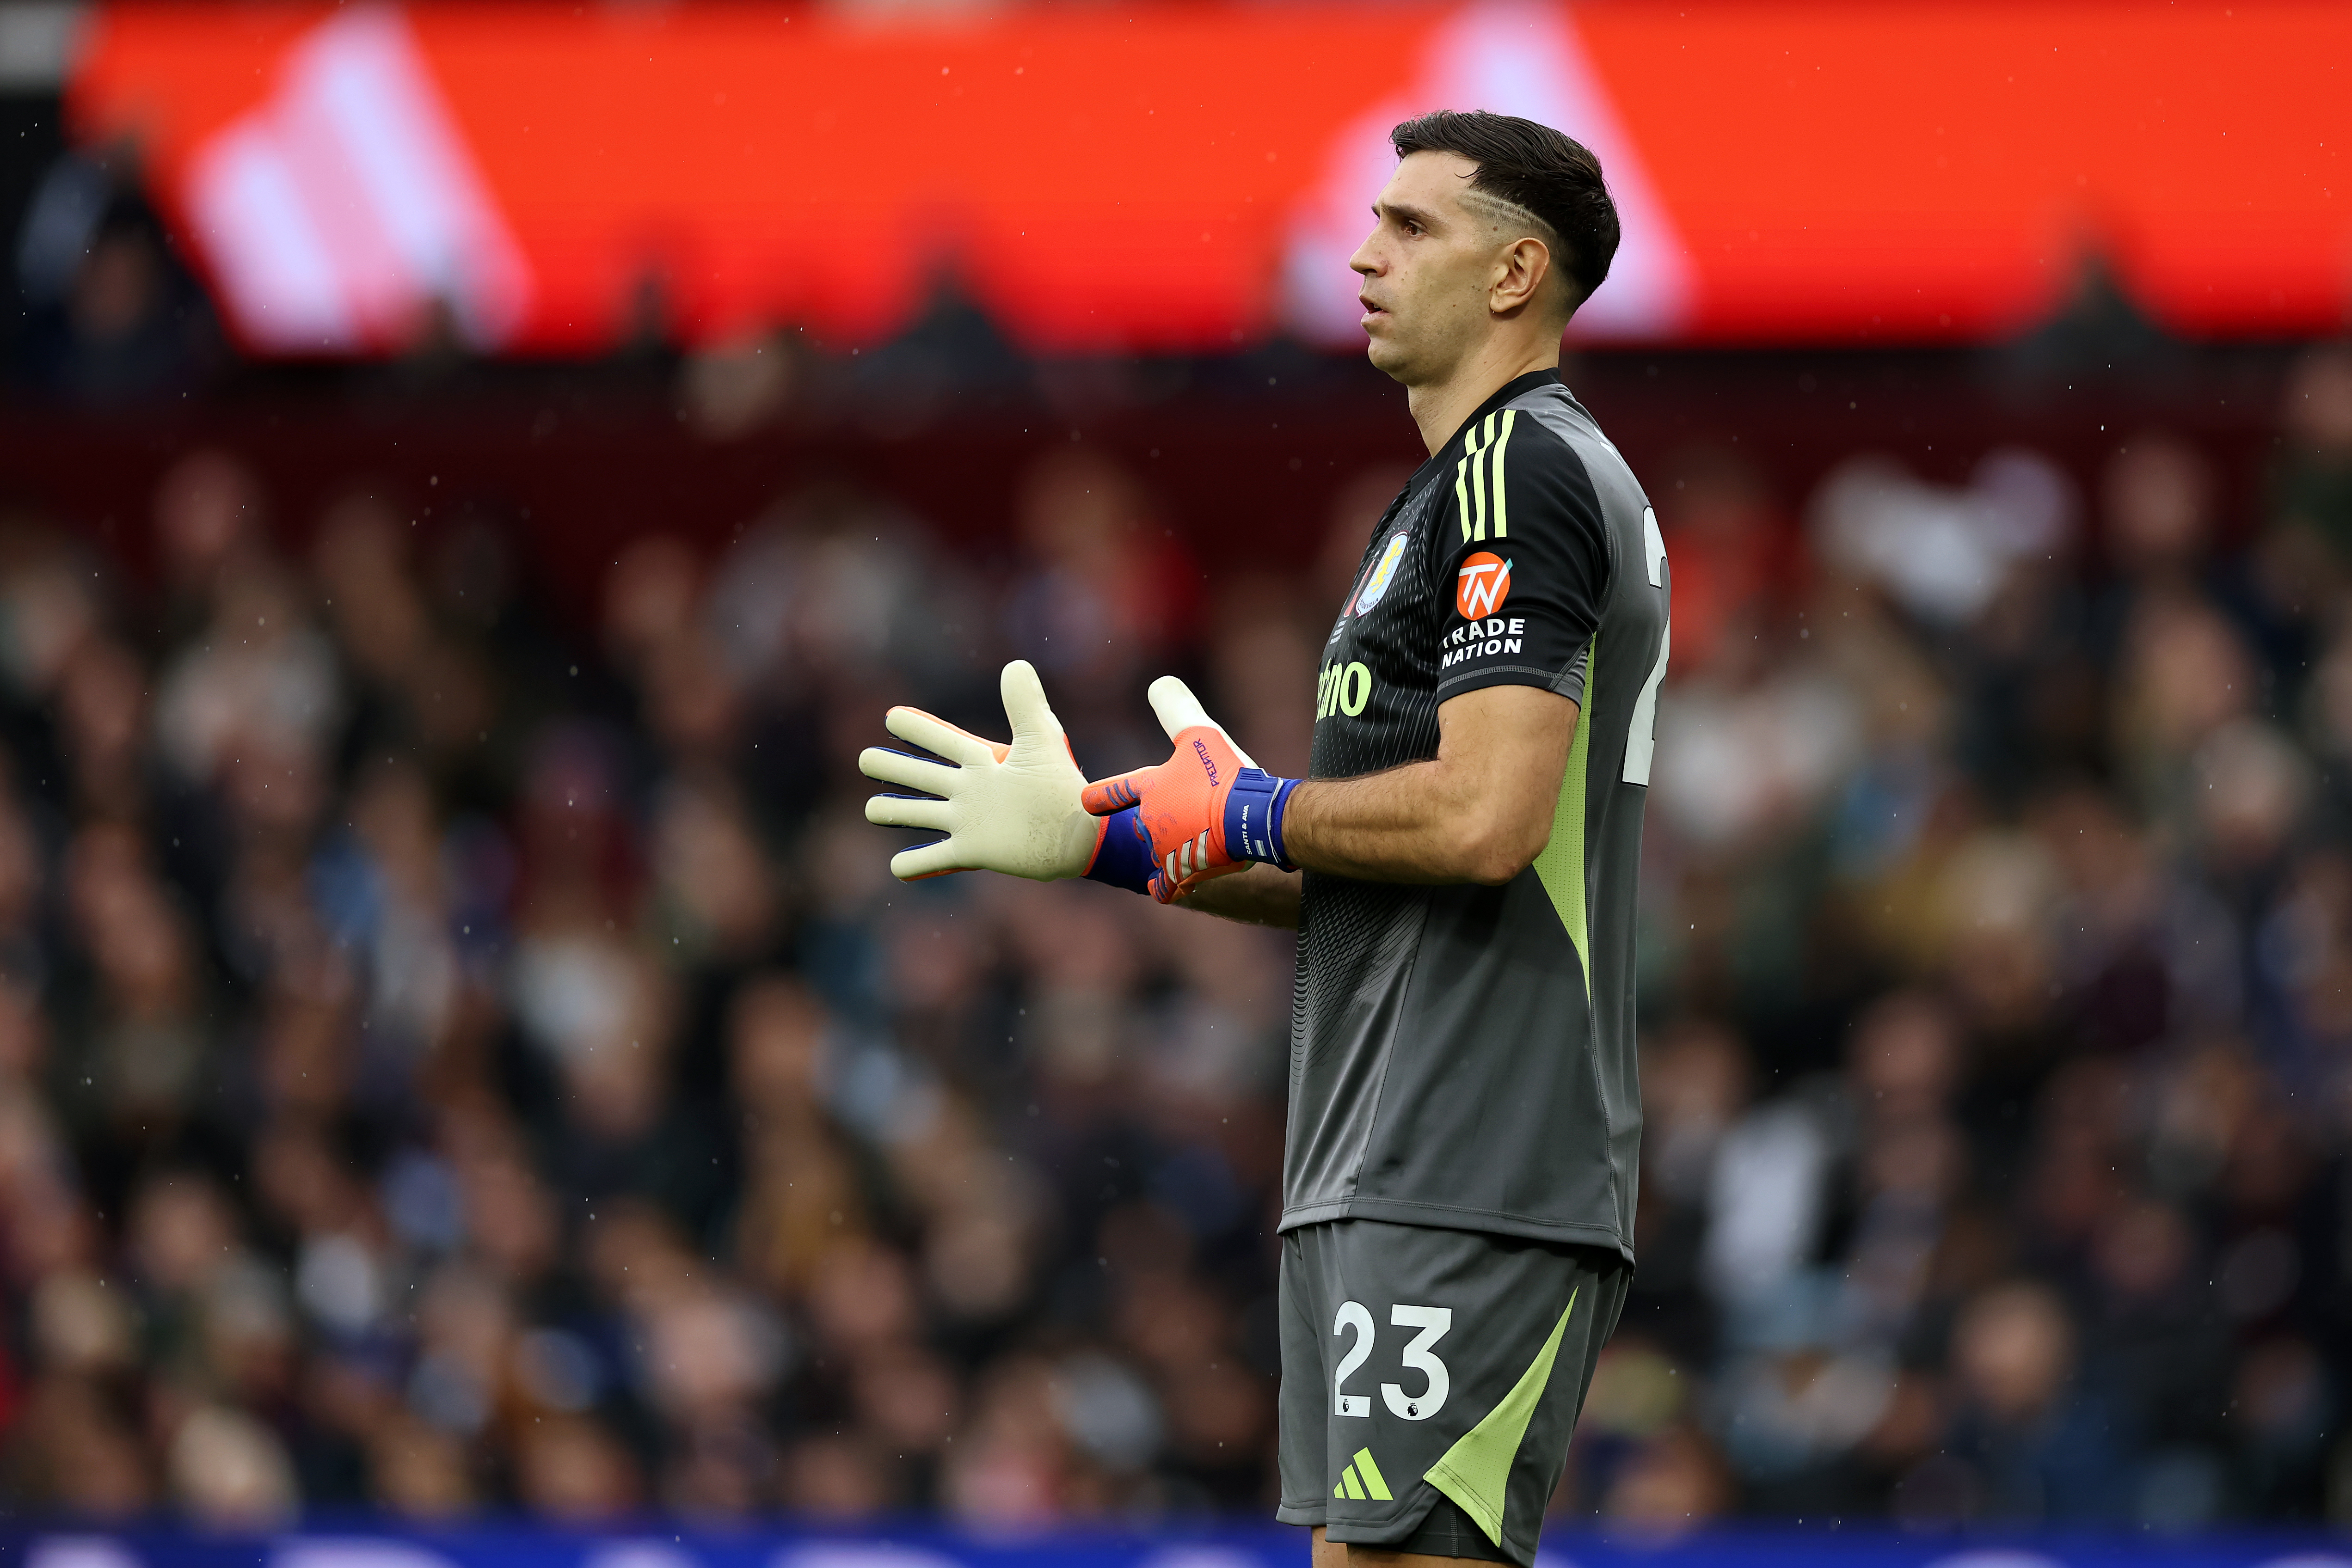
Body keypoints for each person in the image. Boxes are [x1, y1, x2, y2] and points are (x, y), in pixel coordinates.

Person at [863, 110, 1668, 1568]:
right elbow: (1389, 871)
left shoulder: (1520, 473)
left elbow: (1487, 822)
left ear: (1515, 273)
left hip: (1474, 1155)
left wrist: (1248, 807)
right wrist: (1110, 841)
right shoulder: (1439, 500)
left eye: (1413, 227)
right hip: (1394, 1155)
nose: (1364, 255)